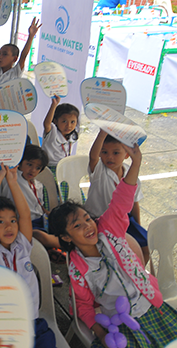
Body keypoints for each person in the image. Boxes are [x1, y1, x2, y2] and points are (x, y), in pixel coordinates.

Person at [49, 144, 177, 348]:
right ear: (66, 237)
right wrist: (99, 333)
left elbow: (121, 200)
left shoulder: (109, 230)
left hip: (151, 306)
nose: (88, 226)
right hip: (119, 322)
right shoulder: (77, 267)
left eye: (87, 219)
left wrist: (136, 163)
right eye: (77, 225)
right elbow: (82, 305)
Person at [0, 164, 56, 348]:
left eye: (12, 221)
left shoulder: (22, 246)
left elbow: (25, 215)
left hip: (32, 324)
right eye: (0, 222)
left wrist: (12, 181)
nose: (9, 226)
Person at [85, 130, 149, 264]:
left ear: (127, 155)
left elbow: (134, 203)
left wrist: (137, 225)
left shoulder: (132, 175)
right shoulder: (99, 171)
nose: (110, 157)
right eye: (104, 152)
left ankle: (137, 275)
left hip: (124, 221)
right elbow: (93, 157)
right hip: (97, 220)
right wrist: (102, 133)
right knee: (112, 252)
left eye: (116, 153)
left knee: (146, 246)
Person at [0, 17, 41, 91]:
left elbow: (23, 56)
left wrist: (31, 36)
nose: (0, 57)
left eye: (5, 54)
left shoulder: (15, 73)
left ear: (15, 58)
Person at [42, 97, 80, 172]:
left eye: (72, 122)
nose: (69, 126)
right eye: (64, 121)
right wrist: (54, 105)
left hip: (64, 166)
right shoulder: (52, 132)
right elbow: (47, 124)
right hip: (49, 167)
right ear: (55, 121)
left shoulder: (72, 135)